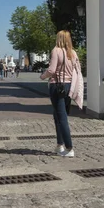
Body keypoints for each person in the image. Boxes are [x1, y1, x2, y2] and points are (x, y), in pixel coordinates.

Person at [40, 30, 77, 158]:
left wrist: (43, 76)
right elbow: (76, 70)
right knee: (58, 115)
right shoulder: (73, 53)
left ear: (59, 38)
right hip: (69, 86)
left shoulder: (56, 50)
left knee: (61, 117)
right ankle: (59, 144)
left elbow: (51, 69)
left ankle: (69, 147)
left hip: (57, 85)